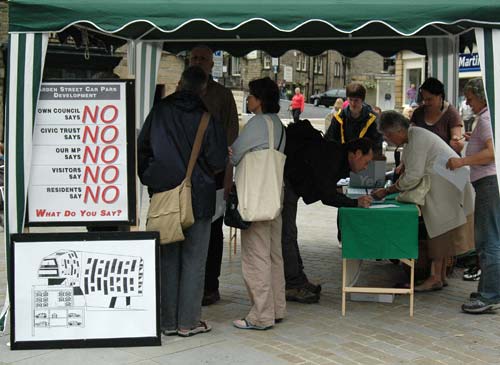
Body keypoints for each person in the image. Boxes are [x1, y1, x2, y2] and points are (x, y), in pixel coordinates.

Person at [137, 66, 227, 337]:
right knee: (194, 261)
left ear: (178, 84)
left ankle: (166, 322)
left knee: (167, 258)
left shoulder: (159, 111)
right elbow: (218, 160)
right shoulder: (206, 118)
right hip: (198, 197)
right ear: (202, 89)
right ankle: (188, 322)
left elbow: (142, 151)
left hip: (164, 196)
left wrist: (156, 180)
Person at [372, 111, 474, 292]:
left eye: (388, 135)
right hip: (446, 183)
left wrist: (389, 190)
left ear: (396, 130)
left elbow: (413, 176)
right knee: (441, 228)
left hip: (447, 185)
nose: (388, 140)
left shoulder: (416, 137)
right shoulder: (413, 136)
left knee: (439, 230)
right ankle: (440, 276)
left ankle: (435, 277)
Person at [283, 128, 374, 303]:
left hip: (292, 185)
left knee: (289, 234)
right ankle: (293, 285)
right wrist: (355, 203)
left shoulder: (337, 156)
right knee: (287, 235)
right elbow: (327, 196)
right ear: (356, 154)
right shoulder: (332, 156)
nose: (366, 167)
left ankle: (298, 280)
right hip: (287, 184)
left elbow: (327, 187)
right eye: (366, 162)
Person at [229, 77, 286, 330]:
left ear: (260, 99)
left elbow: (235, 154)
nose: (248, 99)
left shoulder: (257, 124)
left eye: (251, 95)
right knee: (274, 255)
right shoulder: (279, 125)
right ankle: (277, 307)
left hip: (256, 198)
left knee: (255, 256)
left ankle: (261, 315)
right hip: (274, 195)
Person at [190, 45, 239, 306]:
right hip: (185, 176)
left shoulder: (222, 95)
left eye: (202, 59)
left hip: (215, 175)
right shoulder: (180, 91)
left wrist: (228, 175)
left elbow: (232, 137)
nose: (197, 62)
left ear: (211, 64)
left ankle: (211, 285)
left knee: (212, 231)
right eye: (194, 58)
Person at [446, 78, 500, 314]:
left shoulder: (487, 119)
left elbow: (492, 152)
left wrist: (462, 161)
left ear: (481, 96)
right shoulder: (489, 117)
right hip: (488, 183)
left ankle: (490, 295)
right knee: (489, 238)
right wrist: (472, 140)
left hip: (488, 183)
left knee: (488, 240)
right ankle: (489, 289)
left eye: (469, 98)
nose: (467, 103)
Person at [325, 83, 383, 153]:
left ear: (362, 100)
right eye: (350, 99)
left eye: (356, 100)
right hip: (343, 157)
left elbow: (377, 144)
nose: (353, 103)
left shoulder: (373, 119)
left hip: (365, 158)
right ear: (347, 99)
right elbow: (329, 139)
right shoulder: (339, 117)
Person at [410, 77, 464, 154]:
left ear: (440, 96)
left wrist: (456, 143)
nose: (426, 103)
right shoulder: (418, 112)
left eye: (429, 99)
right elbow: (411, 136)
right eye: (424, 99)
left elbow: (458, 146)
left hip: (445, 161)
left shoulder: (452, 114)